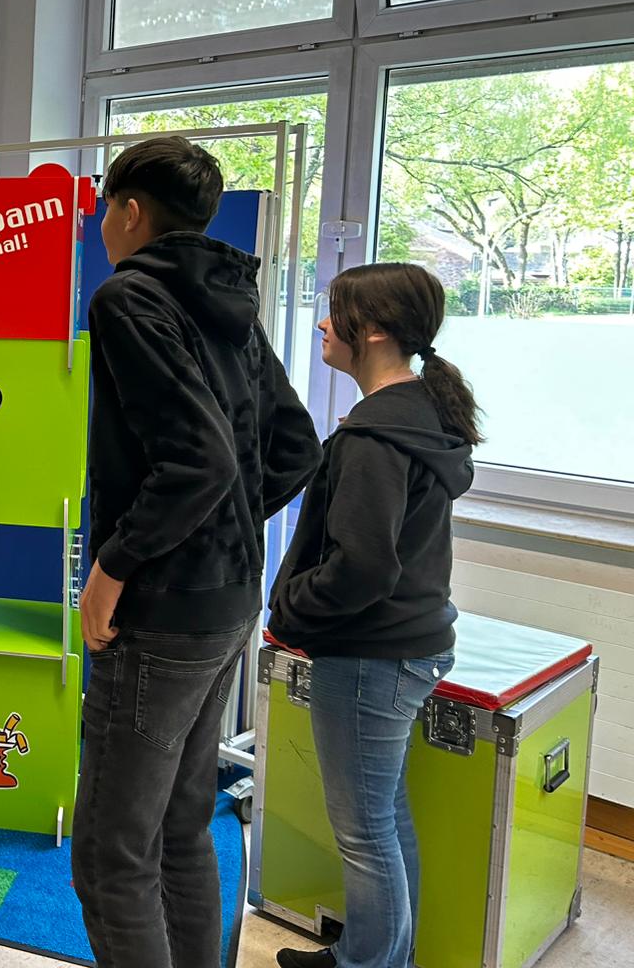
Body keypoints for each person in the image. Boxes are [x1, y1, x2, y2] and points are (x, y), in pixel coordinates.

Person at [73, 136, 321, 968]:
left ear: (130, 210)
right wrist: (224, 529)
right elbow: (294, 446)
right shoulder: (228, 299)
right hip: (230, 600)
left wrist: (115, 566)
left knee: (111, 856)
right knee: (181, 825)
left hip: (162, 613)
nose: (101, 224)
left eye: (104, 208)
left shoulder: (127, 298)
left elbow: (201, 460)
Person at [267, 264, 478, 968]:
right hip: (410, 644)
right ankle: (376, 954)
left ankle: (367, 964)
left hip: (369, 657)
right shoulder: (420, 416)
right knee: (383, 821)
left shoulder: (373, 438)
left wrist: (290, 610)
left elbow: (362, 568)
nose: (323, 324)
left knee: (363, 833)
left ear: (378, 331)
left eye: (337, 312)